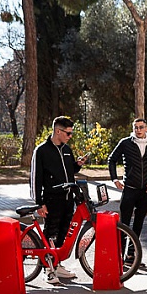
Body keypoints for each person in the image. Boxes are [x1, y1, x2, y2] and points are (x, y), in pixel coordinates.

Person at [30, 116, 88, 283]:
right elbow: (35, 178)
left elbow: (69, 171)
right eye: (68, 133)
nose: (70, 136)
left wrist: (77, 165)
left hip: (68, 199)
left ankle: (57, 264)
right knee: (51, 234)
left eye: (71, 133)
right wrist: (39, 203)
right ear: (58, 131)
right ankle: (48, 269)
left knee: (64, 234)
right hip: (51, 199)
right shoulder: (41, 150)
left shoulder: (67, 149)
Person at [107, 118, 147, 257]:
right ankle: (120, 256)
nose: (138, 130)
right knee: (124, 225)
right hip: (129, 189)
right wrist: (115, 179)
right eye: (135, 127)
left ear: (146, 128)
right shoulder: (125, 143)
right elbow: (112, 160)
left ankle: (132, 255)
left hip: (145, 191)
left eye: (141, 127)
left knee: (138, 224)